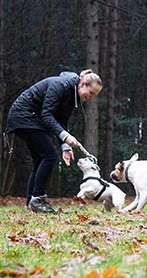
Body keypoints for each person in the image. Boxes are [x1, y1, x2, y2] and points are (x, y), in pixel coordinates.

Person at [6, 69, 102, 213]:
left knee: (40, 160)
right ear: (82, 84)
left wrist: (65, 147)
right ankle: (38, 199)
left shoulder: (72, 96)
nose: (91, 97)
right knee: (49, 156)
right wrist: (65, 136)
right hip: (23, 117)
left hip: (31, 119)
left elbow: (61, 121)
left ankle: (30, 204)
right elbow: (47, 115)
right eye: (91, 93)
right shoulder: (60, 85)